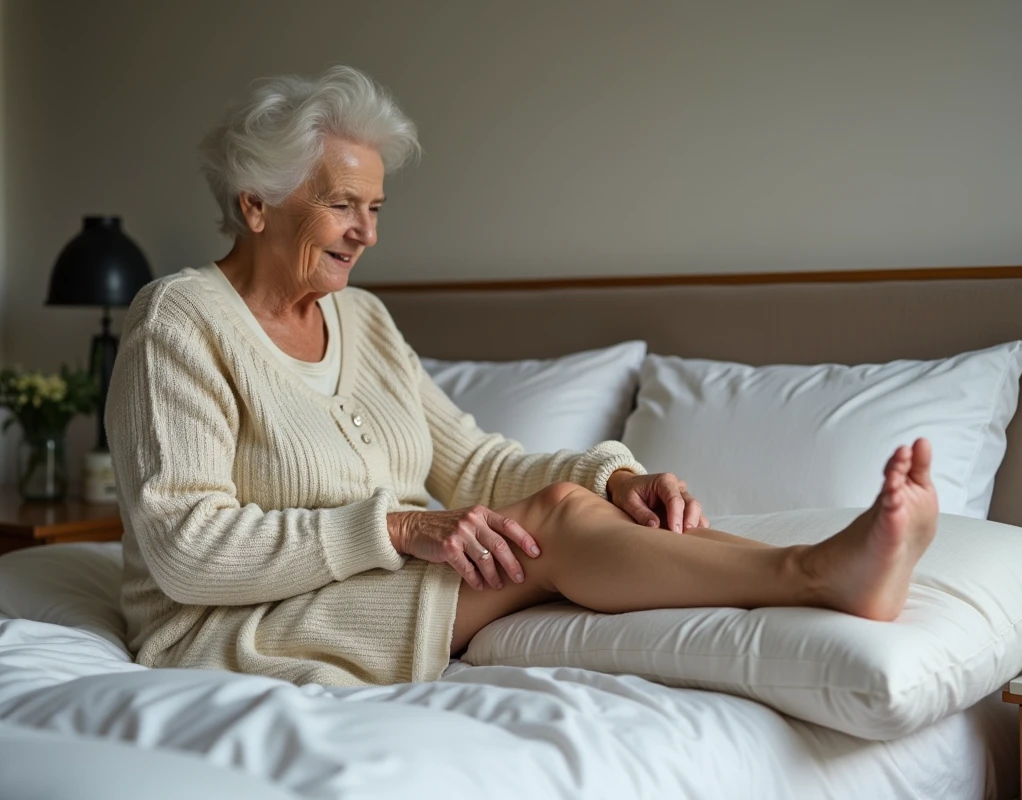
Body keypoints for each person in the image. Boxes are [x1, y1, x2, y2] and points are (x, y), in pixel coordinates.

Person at [105, 66, 938, 688]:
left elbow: (473, 466)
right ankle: (815, 574)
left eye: (377, 209)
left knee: (575, 504)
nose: (367, 234)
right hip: (232, 627)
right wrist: (397, 530)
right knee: (554, 524)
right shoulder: (178, 320)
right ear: (257, 204)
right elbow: (185, 549)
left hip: (350, 585)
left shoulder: (361, 320)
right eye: (342, 205)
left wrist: (612, 477)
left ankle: (818, 563)